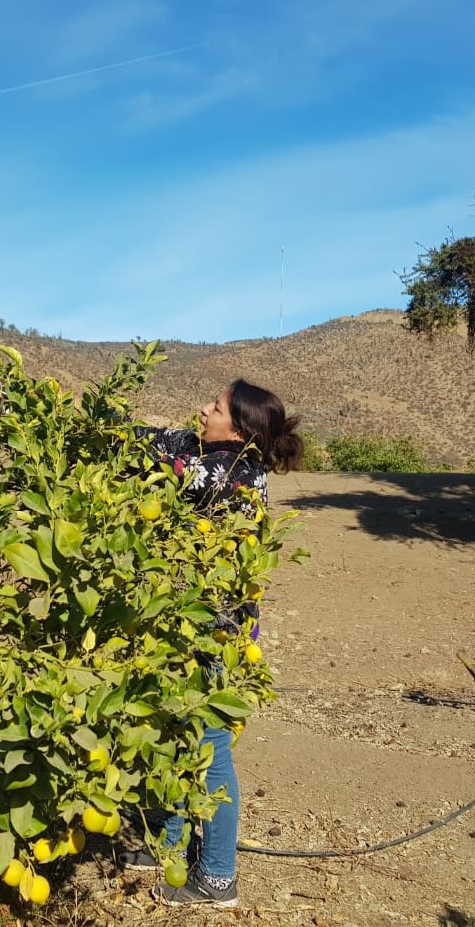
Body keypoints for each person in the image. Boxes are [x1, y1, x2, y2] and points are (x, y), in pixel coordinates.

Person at [121, 378, 303, 908]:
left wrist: (118, 438)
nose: (204, 409)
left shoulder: (230, 474)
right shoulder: (214, 457)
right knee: (177, 733)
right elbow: (168, 440)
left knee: (210, 747)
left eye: (216, 407)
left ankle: (220, 875)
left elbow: (165, 459)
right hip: (189, 626)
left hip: (215, 635)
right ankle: (169, 845)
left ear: (240, 430)